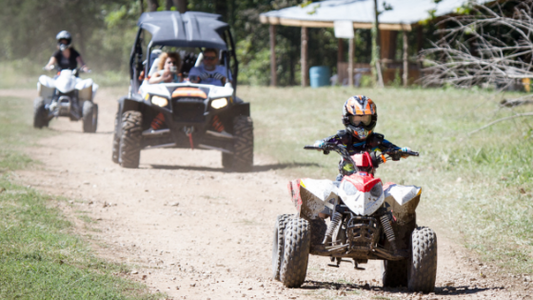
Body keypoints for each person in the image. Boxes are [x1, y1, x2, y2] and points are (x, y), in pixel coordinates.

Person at [314, 95, 411, 180]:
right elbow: (326, 141)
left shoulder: (375, 140)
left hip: (368, 181)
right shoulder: (343, 138)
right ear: (347, 120)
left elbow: (391, 148)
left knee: (382, 195)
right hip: (344, 180)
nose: (361, 125)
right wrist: (321, 144)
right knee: (331, 195)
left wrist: (401, 151)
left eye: (365, 119)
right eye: (356, 120)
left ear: (372, 120)